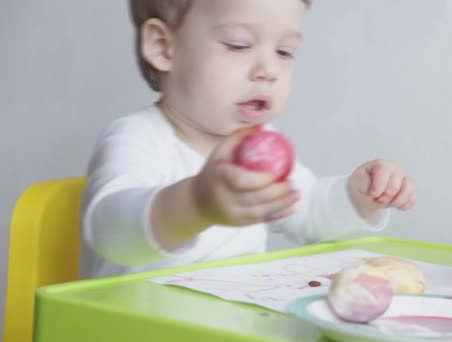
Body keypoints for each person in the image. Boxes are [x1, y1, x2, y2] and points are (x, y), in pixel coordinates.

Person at [80, 0, 416, 279]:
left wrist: (356, 197)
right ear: (163, 46)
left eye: (284, 51)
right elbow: (109, 233)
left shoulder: (259, 145)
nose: (268, 70)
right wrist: (195, 204)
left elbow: (309, 210)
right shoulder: (138, 137)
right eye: (238, 45)